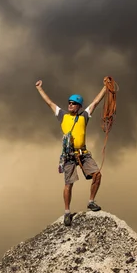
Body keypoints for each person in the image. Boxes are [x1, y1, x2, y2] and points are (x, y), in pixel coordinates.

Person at [35, 79, 107, 226]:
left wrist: (106, 87)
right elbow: (50, 103)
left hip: (83, 153)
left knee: (97, 175)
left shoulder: (83, 117)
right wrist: (39, 89)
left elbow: (95, 102)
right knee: (69, 183)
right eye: (69, 102)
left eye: (73, 103)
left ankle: (91, 202)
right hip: (69, 155)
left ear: (79, 106)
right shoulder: (63, 116)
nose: (70, 105)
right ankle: (67, 212)